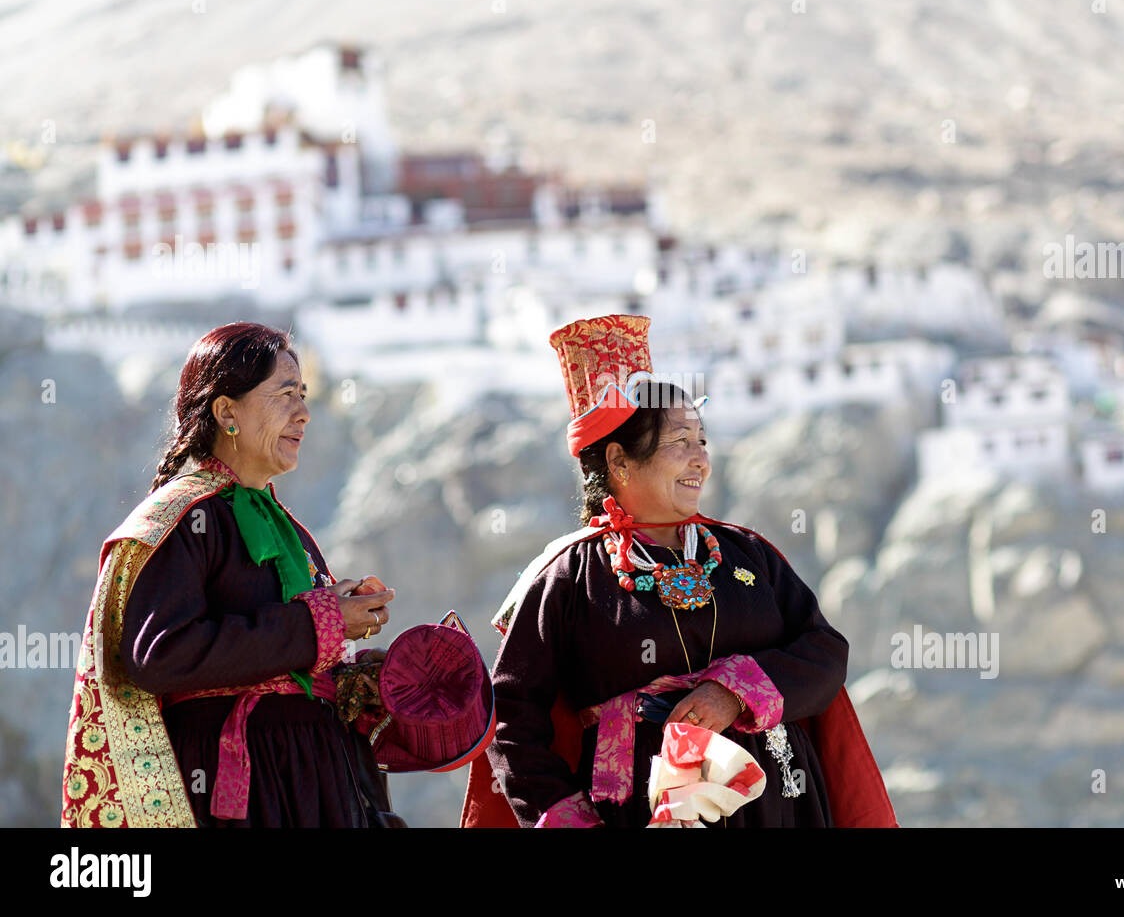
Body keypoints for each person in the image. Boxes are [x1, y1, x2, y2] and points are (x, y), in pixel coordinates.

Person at [461, 314, 898, 827]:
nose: (701, 461)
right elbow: (511, 717)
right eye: (680, 443)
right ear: (621, 459)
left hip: (778, 804)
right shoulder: (567, 577)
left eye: (703, 441)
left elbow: (824, 652)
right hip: (636, 811)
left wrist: (734, 693)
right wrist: (570, 819)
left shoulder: (747, 554)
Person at [61, 322, 400, 827]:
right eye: (285, 395)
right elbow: (160, 655)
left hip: (314, 785)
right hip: (241, 793)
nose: (304, 413)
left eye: (303, 395)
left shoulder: (289, 531)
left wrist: (354, 674)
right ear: (226, 412)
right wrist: (317, 625)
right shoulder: (181, 521)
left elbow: (292, 657)